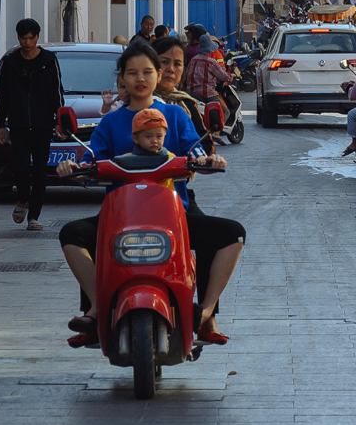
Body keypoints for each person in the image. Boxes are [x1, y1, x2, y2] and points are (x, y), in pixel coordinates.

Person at [60, 42, 245, 345]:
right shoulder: (109, 122)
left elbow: (194, 149)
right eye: (132, 72)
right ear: (122, 79)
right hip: (122, 214)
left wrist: (206, 159)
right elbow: (89, 158)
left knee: (232, 234)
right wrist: (73, 166)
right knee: (71, 234)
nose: (140, 78)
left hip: (173, 212)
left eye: (147, 71)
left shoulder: (175, 115)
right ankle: (96, 306)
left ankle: (206, 311)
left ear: (158, 75)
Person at [0, 18, 63, 231]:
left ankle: (34, 216)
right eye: (23, 38)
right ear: (18, 38)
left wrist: (59, 120)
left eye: (30, 38)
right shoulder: (11, 62)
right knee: (21, 168)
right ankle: (23, 199)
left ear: (37, 37)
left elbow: (56, 92)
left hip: (43, 124)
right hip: (19, 123)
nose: (27, 42)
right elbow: (3, 95)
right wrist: (0, 124)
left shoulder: (49, 60)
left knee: (41, 172)